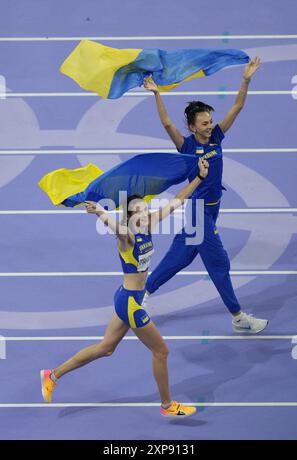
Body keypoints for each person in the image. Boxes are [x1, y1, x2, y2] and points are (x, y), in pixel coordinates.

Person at [40, 157, 209, 417]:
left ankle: (53, 374)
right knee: (161, 351)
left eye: (146, 209)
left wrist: (198, 178)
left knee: (106, 348)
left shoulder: (149, 224)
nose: (145, 213)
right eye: (140, 211)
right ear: (130, 215)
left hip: (126, 298)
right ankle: (167, 406)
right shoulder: (127, 238)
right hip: (130, 302)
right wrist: (99, 212)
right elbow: (116, 228)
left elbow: (177, 201)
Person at [143, 57, 268, 334]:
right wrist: (156, 93)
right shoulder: (186, 146)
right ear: (192, 127)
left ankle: (142, 293)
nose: (209, 126)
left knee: (181, 256)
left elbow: (238, 106)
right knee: (219, 264)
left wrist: (246, 79)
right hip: (199, 213)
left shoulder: (217, 138)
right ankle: (238, 317)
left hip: (212, 209)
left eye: (210, 121)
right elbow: (166, 123)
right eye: (204, 123)